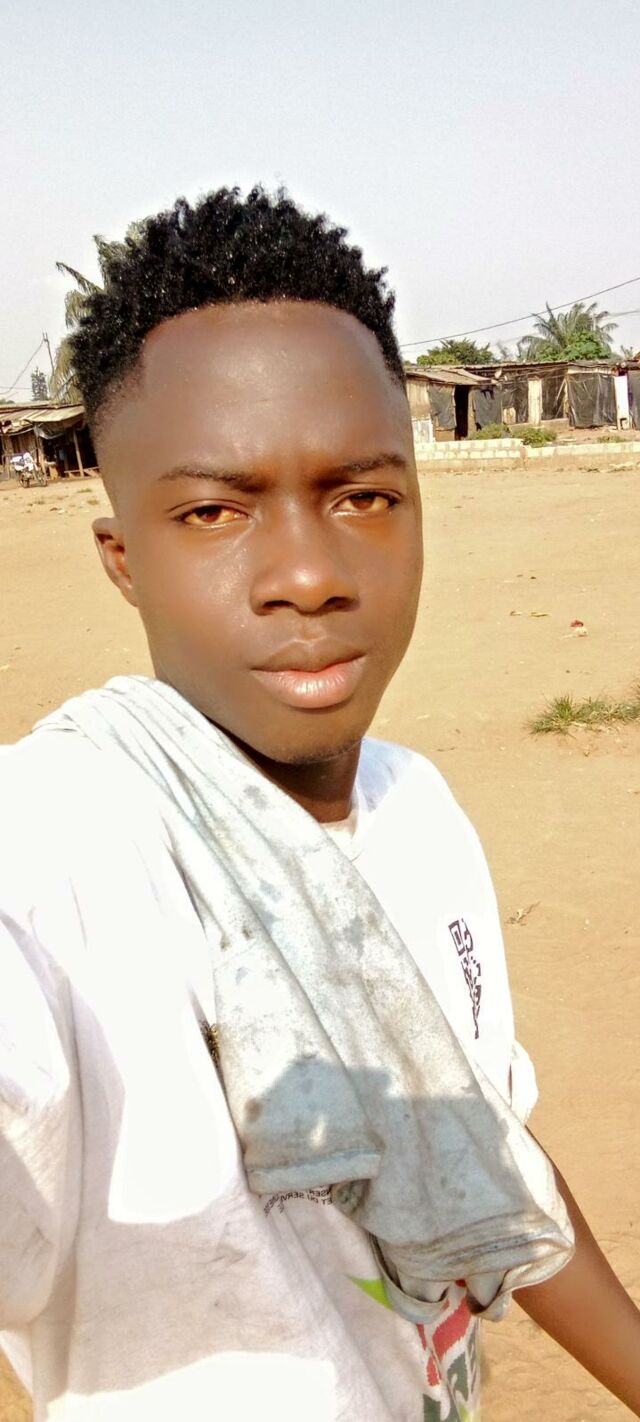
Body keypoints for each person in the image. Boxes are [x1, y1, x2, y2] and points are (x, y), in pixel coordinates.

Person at [0, 187, 638, 1422]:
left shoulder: (416, 805)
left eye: (360, 496)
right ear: (124, 559)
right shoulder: (58, 844)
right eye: (213, 512)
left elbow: (482, 1139)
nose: (307, 575)